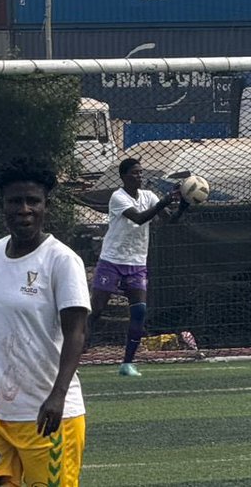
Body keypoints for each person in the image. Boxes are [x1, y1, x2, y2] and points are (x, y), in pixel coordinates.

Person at [0, 159, 90, 487]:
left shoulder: (62, 261)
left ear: (45, 206)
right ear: (2, 206)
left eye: (33, 201)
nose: (24, 209)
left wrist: (57, 396)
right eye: (15, 201)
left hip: (47, 417)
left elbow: (76, 334)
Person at [87, 157, 178, 377]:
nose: (139, 176)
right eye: (135, 173)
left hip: (136, 262)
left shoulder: (149, 196)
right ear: (124, 176)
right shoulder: (118, 197)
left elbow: (168, 221)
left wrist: (182, 204)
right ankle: (75, 354)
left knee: (139, 310)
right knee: (96, 310)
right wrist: (164, 202)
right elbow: (138, 218)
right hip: (112, 260)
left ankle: (127, 363)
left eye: (141, 172)